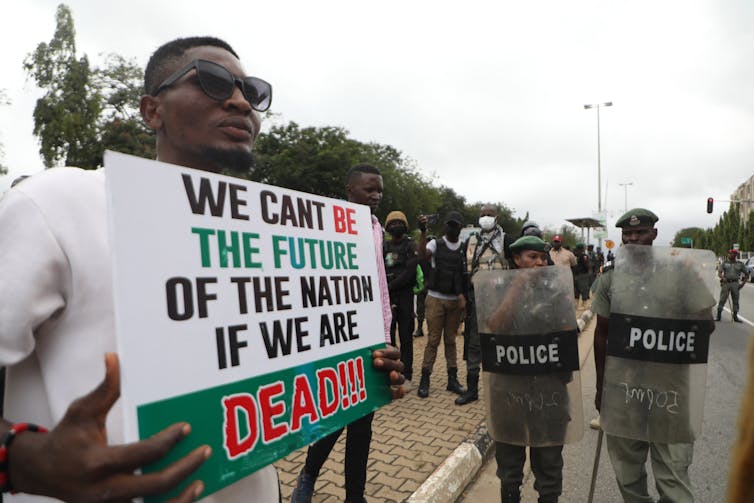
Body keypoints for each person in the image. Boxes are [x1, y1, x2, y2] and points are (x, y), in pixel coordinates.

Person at [0, 37, 403, 503]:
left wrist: (354, 371)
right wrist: (21, 458)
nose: (238, 101)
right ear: (153, 111)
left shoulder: (270, 239)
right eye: (211, 82)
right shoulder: (57, 205)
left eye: (251, 92)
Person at [592, 208, 715, 503]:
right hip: (624, 388)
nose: (634, 239)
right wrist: (601, 388)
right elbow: (602, 335)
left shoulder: (681, 273)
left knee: (673, 475)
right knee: (627, 472)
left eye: (641, 232)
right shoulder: (611, 279)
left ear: (654, 234)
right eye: (628, 234)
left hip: (671, 389)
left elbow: (706, 326)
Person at [292, 164, 398, 503]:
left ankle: (355, 496)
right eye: (369, 189)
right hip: (338, 335)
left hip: (372, 334)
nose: (376, 195)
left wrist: (385, 329)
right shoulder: (327, 222)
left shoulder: (376, 227)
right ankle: (308, 476)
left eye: (379, 189)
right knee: (336, 417)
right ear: (349, 190)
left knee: (363, 425)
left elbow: (378, 280)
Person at [481, 235, 578, 503]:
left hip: (548, 391)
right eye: (531, 257)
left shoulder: (556, 291)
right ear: (516, 259)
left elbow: (569, 336)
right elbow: (495, 327)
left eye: (542, 257)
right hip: (509, 392)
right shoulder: (497, 288)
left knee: (549, 463)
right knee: (510, 465)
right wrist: (517, 288)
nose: (539, 263)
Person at [456, 204, 511, 406]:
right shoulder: (471, 240)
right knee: (474, 345)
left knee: (499, 344)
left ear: (497, 217)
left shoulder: (506, 240)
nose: (486, 217)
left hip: (500, 299)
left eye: (489, 214)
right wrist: (461, 294)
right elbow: (462, 269)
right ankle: (472, 390)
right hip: (476, 298)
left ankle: (501, 391)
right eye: (483, 215)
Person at [416, 211, 468, 398]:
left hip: (455, 300)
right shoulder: (435, 243)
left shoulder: (463, 247)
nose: (452, 228)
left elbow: (464, 274)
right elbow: (422, 255)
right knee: (433, 341)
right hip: (435, 298)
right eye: (450, 224)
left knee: (450, 341)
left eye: (456, 225)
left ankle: (452, 380)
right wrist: (423, 231)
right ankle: (425, 379)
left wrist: (464, 298)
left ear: (460, 228)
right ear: (446, 225)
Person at [383, 210, 418, 383]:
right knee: (388, 335)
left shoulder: (410, 245)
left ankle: (407, 371)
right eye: (392, 223)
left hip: (405, 296)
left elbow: (410, 272)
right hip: (388, 297)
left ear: (405, 226)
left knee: (406, 336)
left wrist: (390, 286)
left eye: (400, 223)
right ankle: (391, 371)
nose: (396, 226)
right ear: (387, 227)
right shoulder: (384, 246)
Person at [716, 249, 748, 322]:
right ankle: (718, 315)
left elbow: (746, 274)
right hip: (726, 283)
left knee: (736, 300)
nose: (729, 255)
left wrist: (742, 284)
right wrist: (722, 277)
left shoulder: (740, 264)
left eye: (731, 254)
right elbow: (719, 272)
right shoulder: (724, 263)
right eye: (729, 253)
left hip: (735, 284)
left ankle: (735, 316)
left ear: (735, 255)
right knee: (722, 299)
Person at [572, 243, 591, 308]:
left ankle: (576, 304)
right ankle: (584, 304)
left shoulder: (574, 255)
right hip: (583, 274)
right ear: (582, 248)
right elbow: (586, 266)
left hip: (576, 274)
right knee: (583, 289)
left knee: (576, 290)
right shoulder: (584, 256)